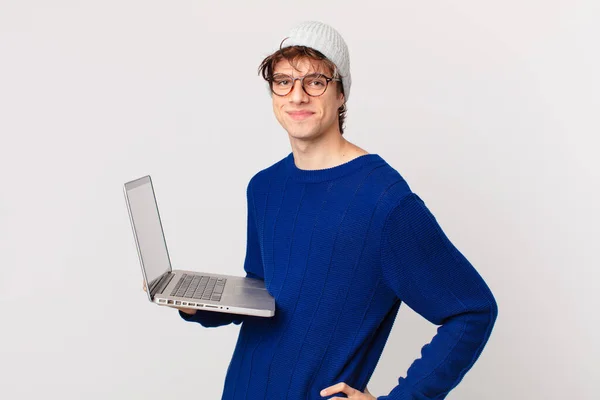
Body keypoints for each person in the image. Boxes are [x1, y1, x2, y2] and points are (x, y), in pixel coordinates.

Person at [154, 21, 498, 399]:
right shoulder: (264, 187)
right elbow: (266, 292)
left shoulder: (384, 201)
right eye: (283, 81)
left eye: (315, 81)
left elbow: (472, 310)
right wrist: (197, 304)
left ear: (340, 94)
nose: (296, 96)